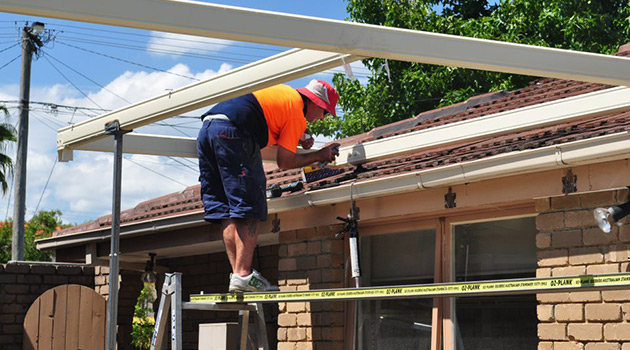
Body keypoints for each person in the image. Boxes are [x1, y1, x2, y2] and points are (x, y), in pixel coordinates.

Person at [197, 79, 341, 292]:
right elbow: (285, 162)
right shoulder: (296, 113)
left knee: (227, 209)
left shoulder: (285, 94)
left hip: (208, 129)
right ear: (316, 103)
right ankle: (243, 274)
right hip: (233, 133)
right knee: (250, 204)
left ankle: (238, 276)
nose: (321, 118)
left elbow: (267, 122)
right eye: (325, 112)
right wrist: (320, 154)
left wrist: (299, 138)